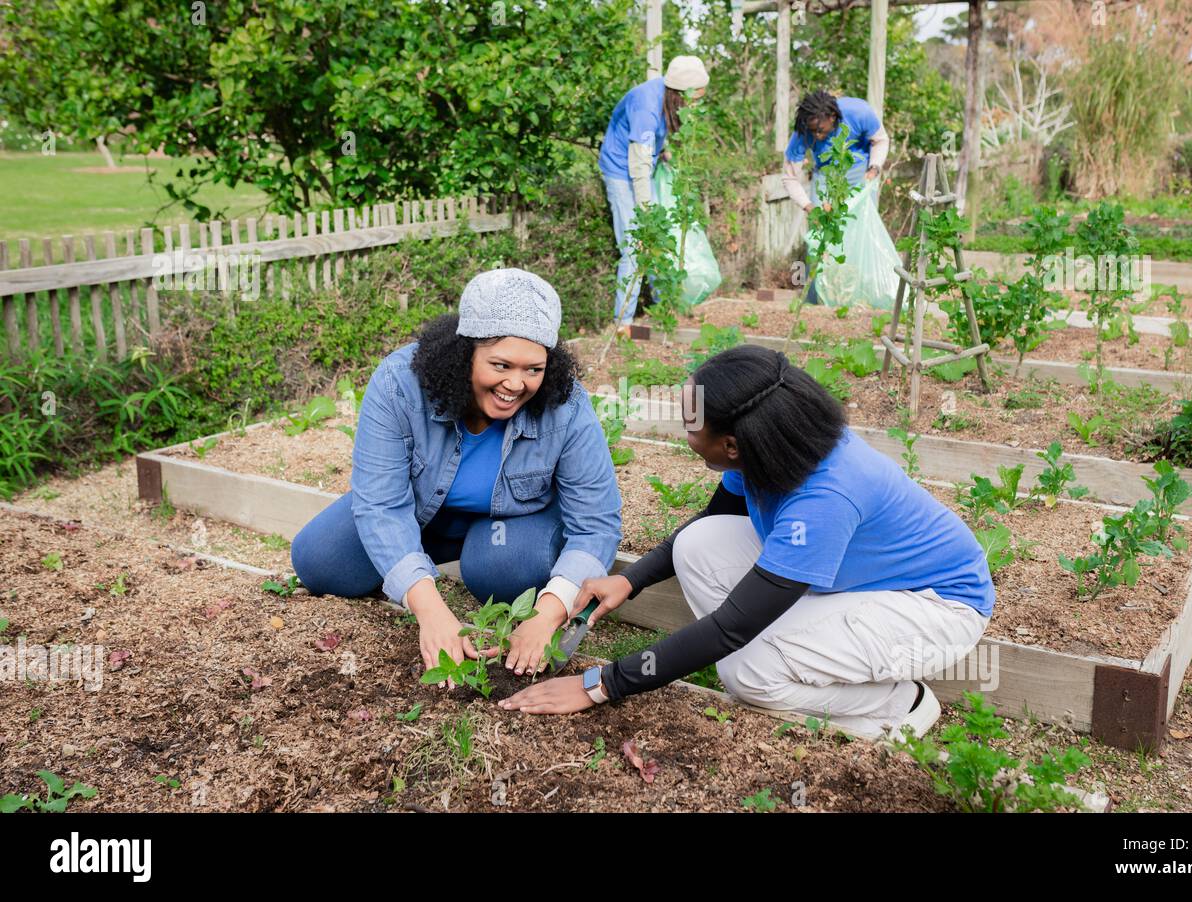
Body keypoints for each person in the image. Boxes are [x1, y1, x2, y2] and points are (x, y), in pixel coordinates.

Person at [500, 345, 994, 741]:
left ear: (731, 444)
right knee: (699, 543)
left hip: (935, 610)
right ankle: (795, 658)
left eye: (692, 426)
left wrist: (601, 684)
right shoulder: (776, 443)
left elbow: (730, 630)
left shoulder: (825, 498)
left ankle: (898, 702)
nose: (684, 433)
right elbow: (715, 520)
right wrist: (630, 580)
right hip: (863, 581)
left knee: (746, 672)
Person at [290, 269, 621, 681]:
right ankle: (421, 560)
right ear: (464, 355)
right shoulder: (400, 384)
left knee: (502, 570)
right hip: (421, 515)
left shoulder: (565, 405)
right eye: (500, 364)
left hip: (511, 524)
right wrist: (430, 610)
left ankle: (485, 553)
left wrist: (549, 613)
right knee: (319, 561)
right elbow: (380, 503)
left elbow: (596, 522)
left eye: (534, 369)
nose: (515, 384)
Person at [598, 55, 709, 335]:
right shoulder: (647, 106)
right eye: (694, 98)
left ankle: (663, 308)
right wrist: (645, 209)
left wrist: (664, 150)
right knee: (635, 243)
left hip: (645, 166)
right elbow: (638, 166)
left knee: (659, 239)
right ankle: (622, 323)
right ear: (680, 93)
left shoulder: (668, 95)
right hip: (622, 171)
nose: (695, 104)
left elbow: (656, 141)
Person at [782, 90, 890, 305]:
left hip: (861, 174)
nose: (817, 137)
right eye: (812, 132)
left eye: (820, 130)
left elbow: (880, 140)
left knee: (861, 233)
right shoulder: (803, 132)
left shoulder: (859, 112)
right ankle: (818, 299)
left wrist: (874, 168)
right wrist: (809, 206)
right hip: (825, 176)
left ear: (832, 118)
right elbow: (789, 176)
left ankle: (862, 296)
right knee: (820, 238)